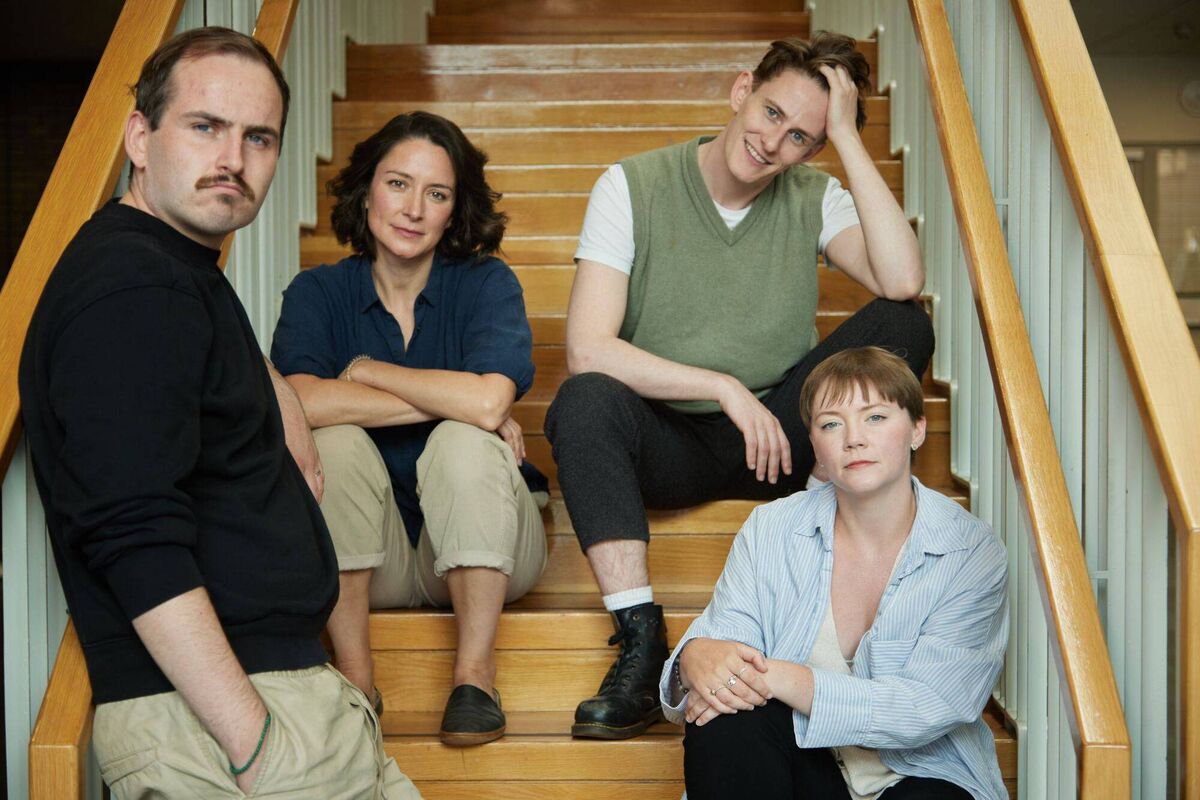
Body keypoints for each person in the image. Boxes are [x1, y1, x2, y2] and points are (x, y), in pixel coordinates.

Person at [18, 27, 420, 798]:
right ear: (140, 137)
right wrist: (254, 743)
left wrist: (278, 390)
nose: (233, 158)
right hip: (228, 730)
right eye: (205, 126)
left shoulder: (173, 273)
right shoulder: (133, 288)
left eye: (258, 137)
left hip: (289, 708)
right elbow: (132, 532)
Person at [545, 32, 936, 740]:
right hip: (667, 439)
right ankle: (640, 642)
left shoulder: (814, 195)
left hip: (779, 440)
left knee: (904, 323)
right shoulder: (631, 185)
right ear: (740, 91)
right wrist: (721, 386)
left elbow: (903, 279)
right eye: (770, 112)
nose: (771, 142)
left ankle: (822, 567)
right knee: (583, 398)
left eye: (800, 137)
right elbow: (586, 347)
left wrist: (847, 138)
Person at [270, 111, 548, 747]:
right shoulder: (317, 292)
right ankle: (357, 684)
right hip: (376, 556)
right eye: (398, 184)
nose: (414, 209)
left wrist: (367, 372)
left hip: (494, 547)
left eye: (437, 193)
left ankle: (475, 679)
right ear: (367, 189)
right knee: (334, 443)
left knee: (464, 441)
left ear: (455, 211)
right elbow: (300, 403)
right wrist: (461, 399)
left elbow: (487, 406)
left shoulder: (487, 283)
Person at [661, 347, 1009, 800]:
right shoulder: (773, 528)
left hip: (920, 774)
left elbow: (928, 705)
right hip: (804, 768)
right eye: (831, 424)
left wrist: (787, 679)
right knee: (726, 718)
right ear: (816, 447)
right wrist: (695, 656)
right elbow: (727, 645)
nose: (853, 439)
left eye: (875, 417)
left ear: (917, 429)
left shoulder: (969, 551)